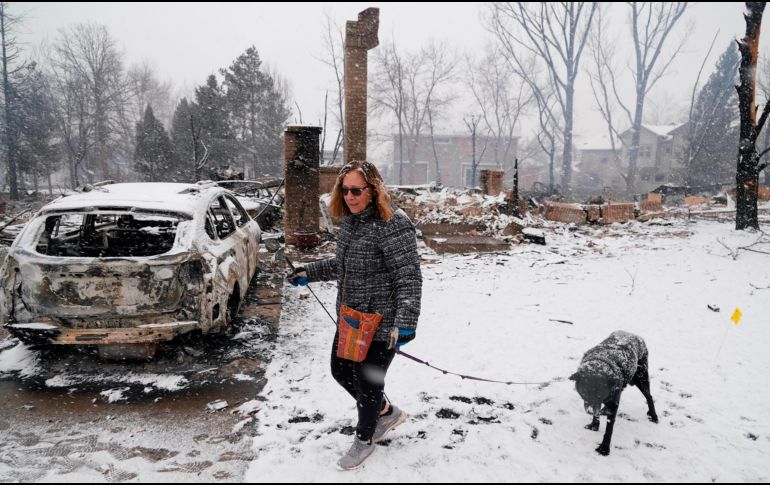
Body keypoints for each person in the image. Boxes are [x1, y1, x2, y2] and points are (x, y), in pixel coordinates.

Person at [287, 160, 422, 470]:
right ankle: (385, 412)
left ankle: (364, 438)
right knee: (340, 370)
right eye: (345, 190)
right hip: (351, 319)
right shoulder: (350, 223)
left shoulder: (394, 224)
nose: (349, 196)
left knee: (368, 380)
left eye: (356, 190)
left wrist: (406, 322)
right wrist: (309, 272)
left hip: (382, 323)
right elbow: (341, 266)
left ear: (373, 190)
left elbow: (408, 276)